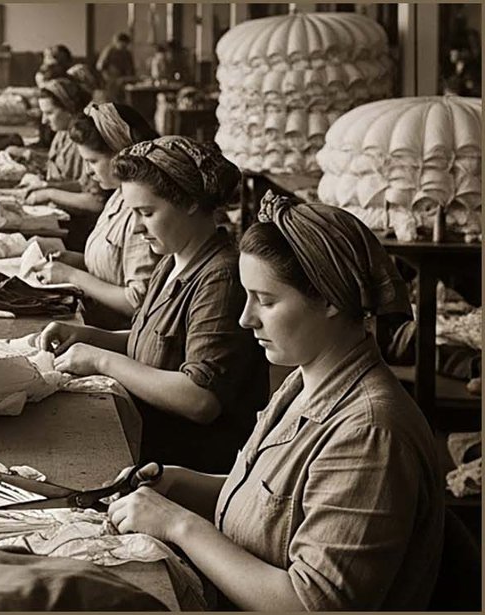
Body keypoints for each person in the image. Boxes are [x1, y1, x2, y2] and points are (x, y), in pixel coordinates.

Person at [105, 196, 444, 610]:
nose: (246, 318)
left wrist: (178, 524)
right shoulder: (304, 380)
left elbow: (310, 603)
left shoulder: (370, 435)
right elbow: (273, 509)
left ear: (330, 299)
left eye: (265, 301)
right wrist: (179, 483)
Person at [34, 136, 269, 473]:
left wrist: (101, 360)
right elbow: (156, 340)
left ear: (189, 202)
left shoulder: (222, 278)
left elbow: (200, 398)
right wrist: (89, 337)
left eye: (147, 212)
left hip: (189, 468)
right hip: (148, 446)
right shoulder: (174, 259)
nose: (138, 227)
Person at [25, 102, 161, 329]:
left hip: (116, 335)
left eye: (92, 161)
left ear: (120, 153)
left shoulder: (141, 213)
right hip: (94, 320)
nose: (87, 170)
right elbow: (116, 266)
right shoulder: (118, 196)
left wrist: (71, 276)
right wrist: (72, 260)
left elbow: (137, 301)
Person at [97, 32, 137, 102]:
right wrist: (108, 78)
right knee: (111, 100)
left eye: (125, 46)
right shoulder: (109, 51)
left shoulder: (127, 53)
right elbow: (100, 67)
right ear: (117, 42)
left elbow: (131, 69)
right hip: (110, 80)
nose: (124, 48)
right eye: (122, 45)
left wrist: (130, 78)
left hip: (124, 81)